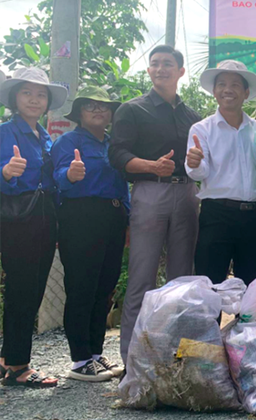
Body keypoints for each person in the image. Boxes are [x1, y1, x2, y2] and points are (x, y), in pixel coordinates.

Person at [109, 45, 201, 366]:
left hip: (188, 194)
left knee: (182, 279)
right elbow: (117, 155)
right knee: (141, 277)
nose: (161, 69)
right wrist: (150, 165)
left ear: (181, 71)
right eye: (155, 64)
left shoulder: (193, 118)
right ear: (149, 71)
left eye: (168, 64)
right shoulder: (132, 110)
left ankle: (177, 357)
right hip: (149, 192)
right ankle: (132, 361)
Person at [51, 87, 128, 382]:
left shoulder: (113, 144)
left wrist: (128, 217)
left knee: (105, 285)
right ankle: (79, 359)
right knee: (82, 285)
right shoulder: (68, 142)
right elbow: (57, 178)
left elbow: (122, 185)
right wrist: (70, 175)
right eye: (91, 106)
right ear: (80, 113)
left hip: (113, 215)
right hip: (81, 215)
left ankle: (96, 353)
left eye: (104, 107)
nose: (98, 111)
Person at [0, 67, 68, 388]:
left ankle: (7, 357)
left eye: (41, 94)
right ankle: (18, 366)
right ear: (15, 97)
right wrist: (5, 173)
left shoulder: (46, 137)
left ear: (47, 102)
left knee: (33, 288)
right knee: (22, 288)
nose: (34, 99)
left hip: (44, 215)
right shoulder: (4, 132)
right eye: (27, 92)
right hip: (17, 217)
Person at [186, 60, 256, 285]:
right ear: (214, 91)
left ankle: (247, 322)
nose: (227, 89)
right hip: (216, 216)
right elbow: (199, 173)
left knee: (251, 285)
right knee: (211, 284)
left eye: (235, 84)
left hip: (253, 217)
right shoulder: (201, 129)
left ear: (246, 92)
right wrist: (194, 163)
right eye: (221, 84)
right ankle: (212, 322)